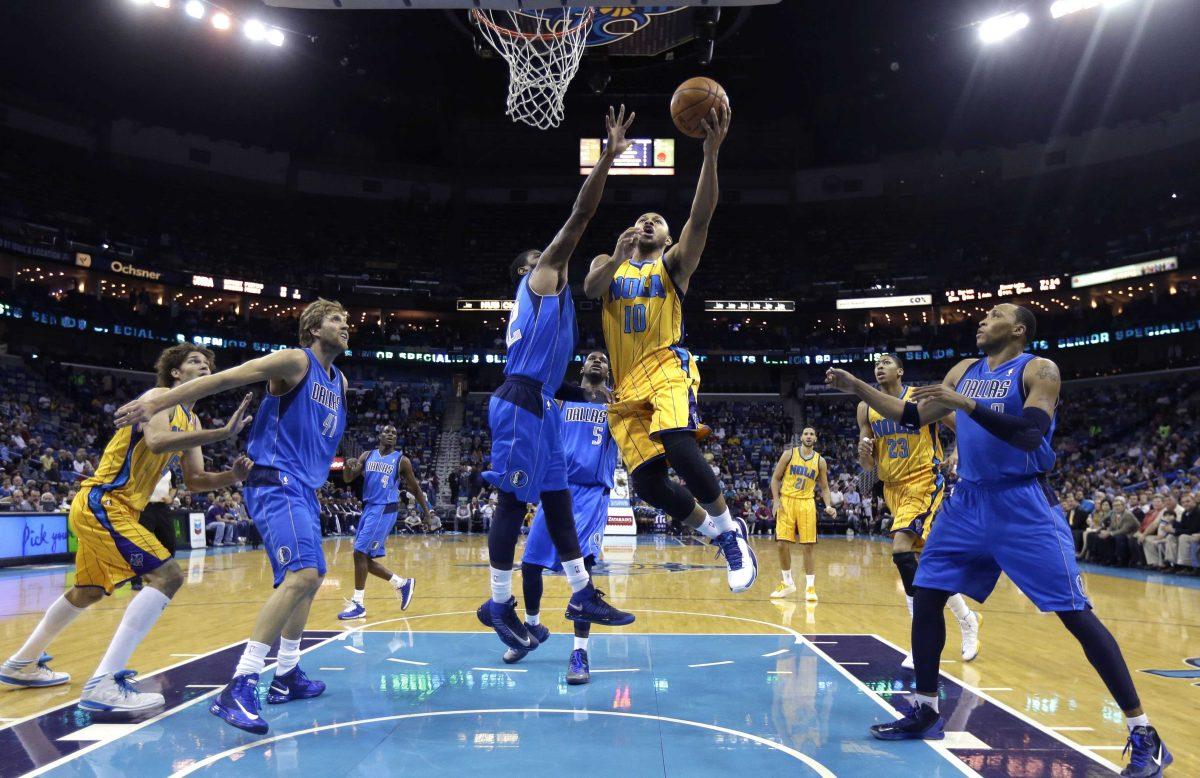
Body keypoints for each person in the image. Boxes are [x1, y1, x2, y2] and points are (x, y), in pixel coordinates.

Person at [827, 303, 1171, 777]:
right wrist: (857, 387)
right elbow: (911, 415)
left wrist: (967, 405)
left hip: (1023, 505)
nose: (983, 320)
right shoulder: (963, 370)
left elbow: (1031, 435)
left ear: (1019, 329)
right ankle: (926, 708)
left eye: (994, 315)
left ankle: (1143, 731)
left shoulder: (1038, 369)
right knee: (926, 594)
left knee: (1075, 615)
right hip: (966, 502)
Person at [115, 298, 350, 735]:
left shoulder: (340, 381)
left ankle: (287, 674)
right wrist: (158, 402)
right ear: (314, 329)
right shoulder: (294, 361)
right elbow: (224, 379)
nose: (346, 325)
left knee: (312, 578)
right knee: (300, 576)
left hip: (304, 487)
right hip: (276, 480)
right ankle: (239, 685)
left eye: (347, 320)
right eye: (337, 319)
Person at [1, 345, 252, 716]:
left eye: (208, 363)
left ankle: (22, 663)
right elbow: (154, 441)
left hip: (112, 509)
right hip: (104, 502)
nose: (204, 366)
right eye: (195, 362)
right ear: (176, 374)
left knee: (87, 592)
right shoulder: (159, 397)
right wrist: (220, 433)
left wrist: (233, 476)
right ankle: (104, 682)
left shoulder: (193, 422)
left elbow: (196, 480)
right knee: (168, 576)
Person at [583, 103, 757, 593]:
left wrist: (710, 155)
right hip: (625, 383)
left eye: (657, 219)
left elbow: (700, 218)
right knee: (647, 483)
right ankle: (720, 532)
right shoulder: (609, 261)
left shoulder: (674, 265)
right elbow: (592, 290)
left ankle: (730, 533)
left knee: (679, 443)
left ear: (665, 236)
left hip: (666, 364)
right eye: (642, 217)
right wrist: (615, 254)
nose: (648, 221)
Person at [479, 107, 635, 654]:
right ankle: (498, 601)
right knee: (509, 503)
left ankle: (582, 591)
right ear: (532, 268)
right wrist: (609, 160)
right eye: (542, 258)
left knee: (558, 498)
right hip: (521, 399)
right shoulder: (542, 280)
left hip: (541, 403)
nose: (556, 259)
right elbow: (580, 214)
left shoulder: (559, 302)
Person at [857, 353, 982, 666]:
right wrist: (863, 454)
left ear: (900, 370)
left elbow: (962, 430)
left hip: (923, 480)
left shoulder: (921, 398)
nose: (880, 366)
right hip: (892, 487)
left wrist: (954, 455)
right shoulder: (865, 408)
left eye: (887, 362)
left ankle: (921, 639)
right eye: (877, 363)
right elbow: (868, 465)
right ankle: (967, 618)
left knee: (901, 551)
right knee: (925, 565)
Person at [504, 351, 618, 685]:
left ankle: (580, 652)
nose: (597, 361)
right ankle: (532, 627)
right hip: (556, 489)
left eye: (603, 359)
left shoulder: (617, 405)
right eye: (591, 358)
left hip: (591, 494)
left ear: (609, 370)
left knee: (582, 572)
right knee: (529, 565)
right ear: (581, 368)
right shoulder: (560, 399)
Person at [337, 424, 428, 620]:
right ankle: (401, 584)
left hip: (384, 508)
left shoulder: (401, 461)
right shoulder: (367, 456)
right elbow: (347, 479)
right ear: (380, 435)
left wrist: (427, 512)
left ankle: (359, 604)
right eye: (387, 432)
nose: (390, 435)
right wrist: (346, 465)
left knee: (359, 553)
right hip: (369, 508)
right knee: (360, 557)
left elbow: (415, 488)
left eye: (394, 433)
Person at [768, 427, 836, 602]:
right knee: (782, 545)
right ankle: (788, 582)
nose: (808, 436)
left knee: (808, 546)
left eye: (812, 434)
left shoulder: (820, 461)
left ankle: (810, 587)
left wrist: (828, 505)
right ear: (801, 437)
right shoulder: (788, 454)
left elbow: (825, 487)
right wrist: (776, 501)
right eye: (806, 433)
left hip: (807, 503)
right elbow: (775, 479)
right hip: (787, 501)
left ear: (815, 438)